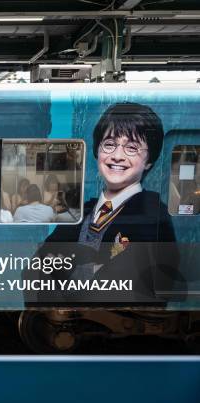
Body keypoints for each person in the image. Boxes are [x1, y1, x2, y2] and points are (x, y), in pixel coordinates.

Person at [31, 102, 180, 304]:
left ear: (149, 161)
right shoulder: (85, 212)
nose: (117, 156)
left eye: (132, 148)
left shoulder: (153, 215)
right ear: (97, 151)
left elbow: (154, 282)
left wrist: (73, 272)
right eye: (109, 144)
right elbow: (36, 266)